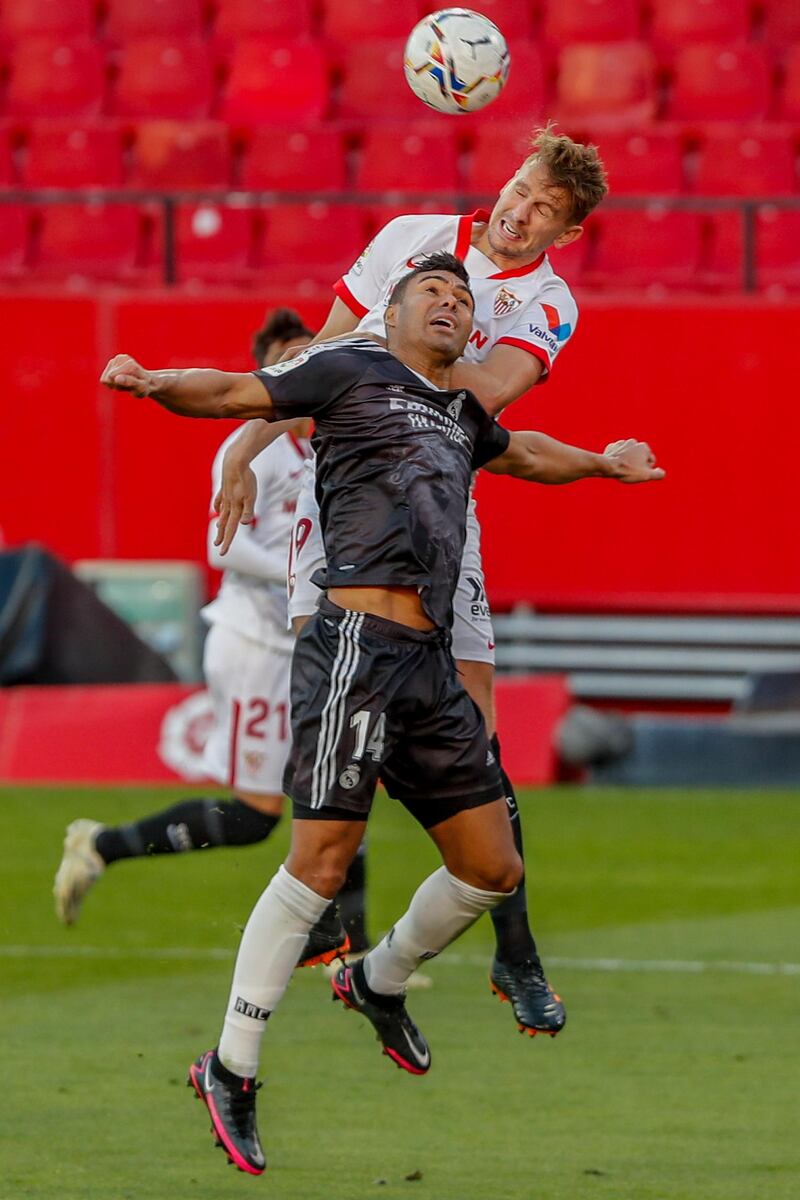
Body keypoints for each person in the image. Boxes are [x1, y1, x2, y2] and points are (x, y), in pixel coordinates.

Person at [100, 251, 664, 1175]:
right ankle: (232, 1067)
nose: (449, 300)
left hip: (428, 664)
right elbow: (239, 393)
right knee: (317, 863)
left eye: (461, 295)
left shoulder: (463, 407)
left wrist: (604, 464)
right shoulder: (349, 368)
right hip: (354, 646)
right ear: (390, 313)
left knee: (491, 866)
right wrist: (157, 382)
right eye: (431, 291)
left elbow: (523, 453)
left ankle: (376, 976)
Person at [213, 125, 607, 1034]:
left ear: (567, 231)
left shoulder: (549, 301)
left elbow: (487, 399)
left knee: (479, 740)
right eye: (522, 188)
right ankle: (337, 944)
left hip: (443, 527)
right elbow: (323, 352)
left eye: (547, 209)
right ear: (507, 177)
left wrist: (405, 343)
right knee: (338, 734)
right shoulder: (407, 237)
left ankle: (511, 953)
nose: (522, 211)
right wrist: (244, 442)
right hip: (343, 510)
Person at [52, 310, 368, 961]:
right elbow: (220, 549)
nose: (303, 370)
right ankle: (101, 844)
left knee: (341, 779)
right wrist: (306, 576)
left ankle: (349, 947)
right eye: (290, 359)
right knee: (255, 817)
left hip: (307, 642)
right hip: (254, 646)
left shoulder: (321, 446)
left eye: (313, 356)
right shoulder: (251, 447)